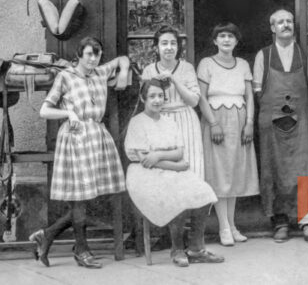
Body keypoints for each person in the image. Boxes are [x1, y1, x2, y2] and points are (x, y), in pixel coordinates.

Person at [29, 36, 130, 269]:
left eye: (97, 54)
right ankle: (81, 249)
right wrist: (69, 114)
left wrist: (123, 72)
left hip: (96, 138)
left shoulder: (100, 73)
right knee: (80, 199)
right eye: (89, 54)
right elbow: (45, 110)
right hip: (75, 139)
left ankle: (49, 235)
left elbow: (122, 59)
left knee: (87, 197)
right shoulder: (65, 76)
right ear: (79, 55)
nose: (93, 58)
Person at [124, 79, 223, 266]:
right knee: (177, 194)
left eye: (160, 96)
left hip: (168, 169)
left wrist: (159, 154)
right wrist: (177, 167)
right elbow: (146, 159)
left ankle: (195, 248)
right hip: (144, 175)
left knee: (204, 191)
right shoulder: (137, 123)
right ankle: (177, 250)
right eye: (152, 96)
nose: (156, 100)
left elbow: (178, 152)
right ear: (143, 98)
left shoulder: (169, 122)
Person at [253, 9, 308, 245]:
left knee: (304, 169)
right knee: (274, 169)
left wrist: (306, 113)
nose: (286, 25)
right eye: (280, 22)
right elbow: (257, 91)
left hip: (301, 121)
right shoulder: (263, 55)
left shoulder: (305, 54)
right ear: (272, 28)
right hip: (272, 123)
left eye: (289, 21)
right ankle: (280, 221)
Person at [197, 23, 259, 246]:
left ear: (236, 41)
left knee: (233, 173)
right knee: (219, 173)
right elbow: (201, 97)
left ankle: (232, 225)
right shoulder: (206, 64)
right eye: (221, 36)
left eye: (230, 36)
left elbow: (250, 97)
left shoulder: (242, 64)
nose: (226, 40)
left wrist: (249, 122)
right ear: (215, 41)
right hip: (216, 119)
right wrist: (213, 123)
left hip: (239, 120)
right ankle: (223, 225)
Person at [141, 26, 204, 178]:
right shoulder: (149, 70)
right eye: (164, 43)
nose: (169, 47)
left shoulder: (187, 68)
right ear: (156, 48)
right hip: (159, 121)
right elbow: (146, 102)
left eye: (173, 43)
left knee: (190, 166)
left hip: (185, 121)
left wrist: (174, 79)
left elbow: (194, 101)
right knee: (163, 171)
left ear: (178, 46)